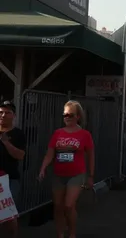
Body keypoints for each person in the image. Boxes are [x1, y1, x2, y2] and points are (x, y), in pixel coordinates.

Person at [39, 101, 95, 238]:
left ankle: (72, 233)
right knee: (58, 206)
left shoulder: (85, 134)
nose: (67, 118)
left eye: (70, 115)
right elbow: (50, 153)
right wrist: (43, 168)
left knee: (69, 205)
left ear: (78, 117)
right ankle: (60, 234)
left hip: (76, 175)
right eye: (65, 115)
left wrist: (90, 176)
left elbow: (91, 156)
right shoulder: (57, 133)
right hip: (59, 175)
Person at [0, 101, 25, 238]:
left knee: (9, 214)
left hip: (10, 179)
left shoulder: (18, 134)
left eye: (7, 112)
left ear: (13, 115)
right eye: (1, 112)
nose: (3, 115)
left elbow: (20, 155)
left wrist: (5, 142)